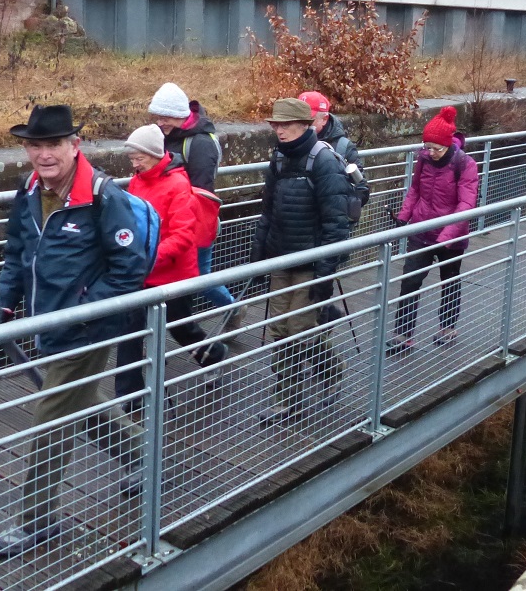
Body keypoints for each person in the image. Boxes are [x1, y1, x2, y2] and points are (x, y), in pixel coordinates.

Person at [0, 105, 148, 558]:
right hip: (46, 322)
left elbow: (129, 267)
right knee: (81, 401)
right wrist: (5, 301)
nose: (44, 154)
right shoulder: (29, 189)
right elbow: (18, 250)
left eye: (53, 144)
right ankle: (146, 455)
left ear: (74, 145)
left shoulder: (102, 195)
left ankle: (35, 522)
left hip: (87, 329)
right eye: (35, 145)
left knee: (51, 418)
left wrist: (80, 310)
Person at [251, 98, 351, 424]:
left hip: (310, 261)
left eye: (285, 124)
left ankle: (332, 372)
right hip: (280, 257)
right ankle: (287, 399)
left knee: (301, 328)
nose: (279, 130)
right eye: (276, 125)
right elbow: (268, 209)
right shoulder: (279, 158)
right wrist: (258, 255)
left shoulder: (323, 161)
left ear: (304, 125)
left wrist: (325, 272)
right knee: (278, 329)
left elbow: (337, 222)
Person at [113, 125, 225, 414]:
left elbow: (183, 235)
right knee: (138, 334)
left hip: (173, 274)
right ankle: (143, 399)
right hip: (144, 272)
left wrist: (149, 258)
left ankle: (213, 355)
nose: (134, 165)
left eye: (139, 158)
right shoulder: (138, 180)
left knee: (180, 327)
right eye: (132, 159)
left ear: (154, 154)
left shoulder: (177, 184)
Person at [387, 106, 480, 354]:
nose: (430, 152)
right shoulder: (424, 159)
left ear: (448, 144)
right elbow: (415, 189)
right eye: (426, 147)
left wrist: (446, 236)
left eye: (436, 148)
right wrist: (403, 217)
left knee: (449, 280)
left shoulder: (465, 164)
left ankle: (448, 328)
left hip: (451, 235)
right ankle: (403, 334)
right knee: (410, 280)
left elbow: (466, 204)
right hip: (421, 229)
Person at [148, 83, 235, 315]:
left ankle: (233, 309)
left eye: (165, 117)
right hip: (170, 219)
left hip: (194, 220)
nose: (160, 122)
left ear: (180, 115)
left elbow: (201, 190)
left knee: (199, 275)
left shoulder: (201, 143)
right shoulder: (168, 135)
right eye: (158, 116)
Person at [300, 90, 371, 222]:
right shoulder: (291, 142)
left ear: (324, 119)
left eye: (308, 119)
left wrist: (339, 210)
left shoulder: (343, 147)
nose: (302, 124)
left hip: (330, 223)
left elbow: (362, 189)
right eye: (298, 119)